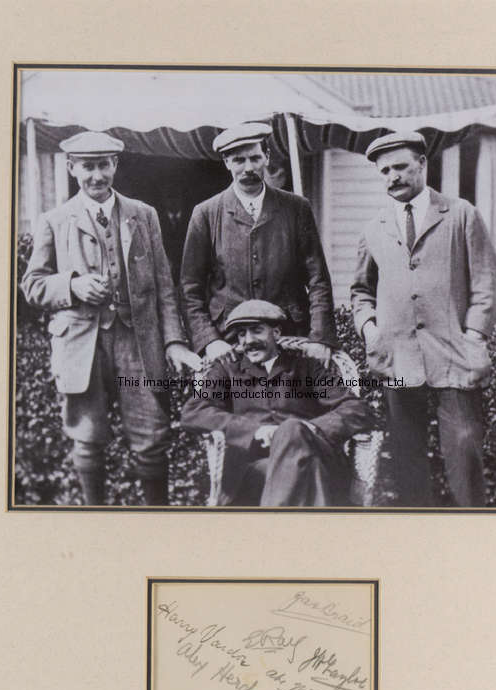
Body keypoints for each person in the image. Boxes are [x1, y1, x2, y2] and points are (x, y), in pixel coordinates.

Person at [21, 131, 201, 506]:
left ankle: (157, 524)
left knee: (152, 438)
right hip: (82, 345)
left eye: (103, 165)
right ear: (72, 168)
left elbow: (164, 287)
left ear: (115, 165)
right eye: (87, 166)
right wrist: (73, 285)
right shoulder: (54, 220)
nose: (96, 176)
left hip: (137, 344)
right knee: (87, 440)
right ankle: (96, 524)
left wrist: (174, 342)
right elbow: (33, 285)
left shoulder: (143, 215)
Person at [350, 131, 496, 507]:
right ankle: (420, 542)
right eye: (384, 171)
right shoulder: (375, 228)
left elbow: (489, 282)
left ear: (422, 164)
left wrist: (474, 334)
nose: (393, 177)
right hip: (398, 361)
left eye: (401, 167)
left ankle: (473, 535)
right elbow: (360, 291)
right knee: (406, 458)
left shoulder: (461, 214)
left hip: (454, 356)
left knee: (465, 450)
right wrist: (371, 330)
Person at [181, 300, 370, 507]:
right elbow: (194, 412)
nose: (248, 340)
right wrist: (255, 431)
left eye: (256, 331)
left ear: (277, 333)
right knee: (307, 465)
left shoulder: (307, 368)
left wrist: (310, 429)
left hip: (311, 451)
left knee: (291, 429)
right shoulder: (227, 370)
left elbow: (357, 409)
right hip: (253, 465)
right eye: (242, 334)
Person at [180, 122, 337, 365]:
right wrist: (209, 340)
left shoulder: (296, 208)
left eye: (255, 158)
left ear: (267, 156)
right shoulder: (206, 214)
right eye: (239, 160)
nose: (248, 168)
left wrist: (319, 337)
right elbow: (190, 289)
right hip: (229, 342)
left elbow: (318, 280)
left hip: (289, 337)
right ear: (226, 162)